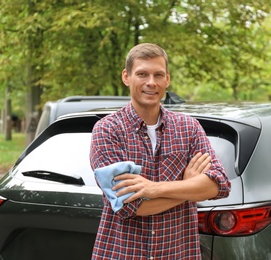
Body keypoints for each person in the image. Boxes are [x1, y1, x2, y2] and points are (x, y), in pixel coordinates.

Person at [90, 43, 231, 259]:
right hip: (122, 254)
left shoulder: (189, 128)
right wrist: (188, 188)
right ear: (126, 77)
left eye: (158, 75)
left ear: (167, 79)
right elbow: (130, 207)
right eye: (142, 74)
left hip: (178, 253)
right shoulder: (108, 131)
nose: (151, 82)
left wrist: (153, 189)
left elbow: (218, 184)